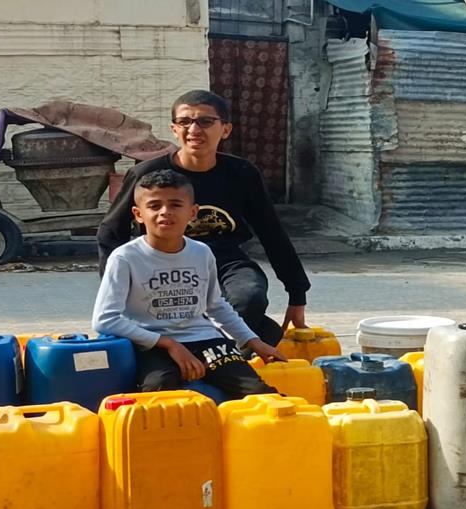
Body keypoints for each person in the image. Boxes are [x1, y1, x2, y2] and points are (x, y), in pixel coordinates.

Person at [97, 90, 310, 346]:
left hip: (226, 260)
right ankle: (230, 340)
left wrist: (297, 293)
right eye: (185, 122)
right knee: (173, 317)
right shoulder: (148, 174)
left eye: (206, 121)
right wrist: (118, 290)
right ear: (174, 129)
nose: (194, 129)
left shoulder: (242, 173)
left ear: (225, 129)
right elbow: (111, 232)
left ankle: (219, 351)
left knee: (249, 297)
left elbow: (271, 233)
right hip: (161, 264)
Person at [93, 169, 284, 396]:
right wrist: (169, 344)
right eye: (154, 206)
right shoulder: (125, 258)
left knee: (259, 393)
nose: (165, 212)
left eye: (175, 205)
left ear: (192, 212)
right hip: (152, 346)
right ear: (138, 214)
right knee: (158, 391)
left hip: (206, 340)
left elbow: (216, 306)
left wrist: (253, 341)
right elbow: (105, 319)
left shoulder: (202, 253)